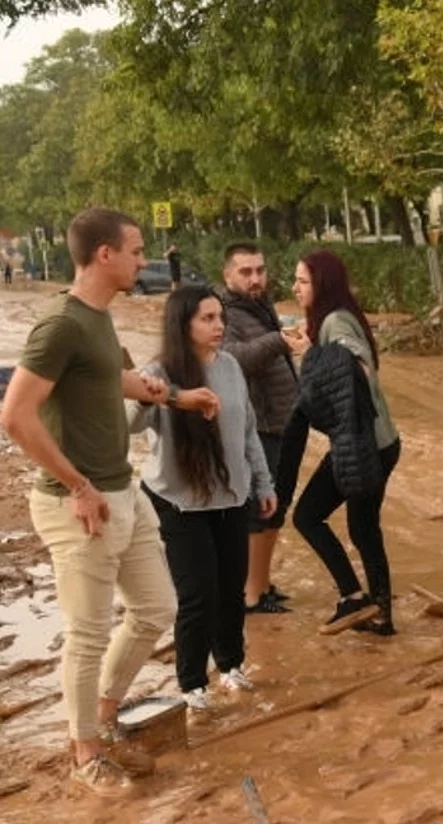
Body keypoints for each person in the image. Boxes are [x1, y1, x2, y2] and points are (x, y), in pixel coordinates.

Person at [0, 208, 213, 794]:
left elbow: (112, 379)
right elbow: (15, 416)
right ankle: (85, 752)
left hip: (123, 489)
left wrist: (177, 397)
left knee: (155, 608)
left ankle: (105, 714)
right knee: (88, 633)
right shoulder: (61, 324)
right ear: (104, 255)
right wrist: (77, 486)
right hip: (82, 504)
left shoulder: (97, 321)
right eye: (137, 250)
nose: (143, 260)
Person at [132, 286, 276, 711]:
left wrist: (264, 485)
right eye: (207, 319)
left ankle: (231, 665)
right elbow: (130, 425)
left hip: (231, 494)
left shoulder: (230, 366)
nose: (219, 326)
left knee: (231, 587)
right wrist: (151, 393)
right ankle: (192, 684)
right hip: (179, 501)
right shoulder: (159, 371)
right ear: (183, 324)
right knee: (198, 593)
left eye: (220, 318)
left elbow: (247, 432)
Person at [282, 250, 402, 635]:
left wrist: (312, 355)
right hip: (377, 441)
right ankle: (380, 613)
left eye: (302, 280)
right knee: (364, 527)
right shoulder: (336, 318)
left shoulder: (335, 322)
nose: (295, 287)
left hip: (364, 444)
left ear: (323, 283)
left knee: (307, 516)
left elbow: (359, 370)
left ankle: (355, 599)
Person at [217, 243, 301, 614]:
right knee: (260, 509)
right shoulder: (224, 314)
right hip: (259, 426)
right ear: (228, 276)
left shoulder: (260, 308)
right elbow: (233, 358)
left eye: (260, 270)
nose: (255, 278)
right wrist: (279, 340)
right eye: (246, 272)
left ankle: (262, 584)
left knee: (276, 507)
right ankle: (251, 594)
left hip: (281, 423)